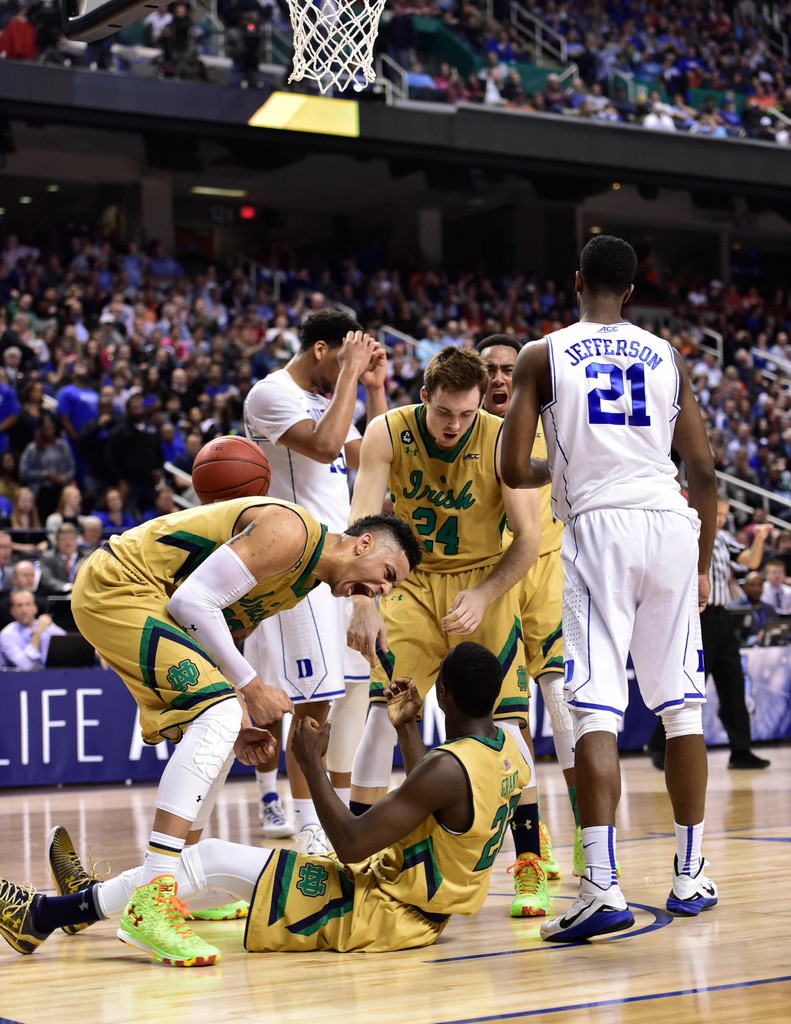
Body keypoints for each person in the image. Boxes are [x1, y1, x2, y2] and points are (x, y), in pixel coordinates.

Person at [31, 497, 420, 966]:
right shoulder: (291, 530)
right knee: (217, 714)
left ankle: (161, 892)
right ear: (363, 544)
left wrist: (236, 708)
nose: (380, 590)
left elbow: (212, 627)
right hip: (121, 586)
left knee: (219, 722)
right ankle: (152, 901)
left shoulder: (302, 582)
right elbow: (191, 601)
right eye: (388, 575)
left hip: (153, 606)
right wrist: (249, 687)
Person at [0, 642, 531, 960]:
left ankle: (44, 915)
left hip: (383, 908)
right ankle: (81, 905)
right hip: (410, 899)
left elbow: (349, 842)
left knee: (207, 861)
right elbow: (440, 803)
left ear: (445, 695)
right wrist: (409, 728)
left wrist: (312, 764)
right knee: (218, 883)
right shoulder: (512, 748)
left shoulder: (446, 769)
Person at [500, 233, 719, 942]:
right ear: (629, 291)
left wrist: (562, 473)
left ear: (575, 283)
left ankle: (600, 884)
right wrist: (704, 562)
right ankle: (690, 871)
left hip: (600, 527)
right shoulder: (668, 356)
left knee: (591, 702)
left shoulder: (543, 353)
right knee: (680, 705)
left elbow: (511, 466)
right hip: (671, 523)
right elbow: (705, 474)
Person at [346, 346, 549, 917]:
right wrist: (362, 601)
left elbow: (529, 540)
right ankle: (357, 858)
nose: (454, 425)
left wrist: (485, 595)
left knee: (507, 725)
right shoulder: (388, 431)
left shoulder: (504, 436)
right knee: (387, 715)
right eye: (444, 414)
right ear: (425, 398)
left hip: (485, 579)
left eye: (465, 414)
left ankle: (530, 864)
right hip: (411, 580)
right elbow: (362, 527)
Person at [242, 312, 385, 849]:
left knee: (333, 695)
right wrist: (350, 373)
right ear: (321, 349)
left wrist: (374, 388)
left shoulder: (334, 395)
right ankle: (305, 823)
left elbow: (367, 457)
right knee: (305, 697)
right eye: (344, 357)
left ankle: (317, 815)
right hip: (292, 561)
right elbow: (325, 447)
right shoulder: (270, 393)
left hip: (339, 560)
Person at [476, 333, 584, 881]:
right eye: (488, 369)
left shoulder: (558, 417)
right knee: (507, 723)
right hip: (488, 578)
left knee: (564, 707)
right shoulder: (458, 427)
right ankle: (530, 846)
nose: (498, 377)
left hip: (550, 568)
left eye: (507, 368)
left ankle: (589, 837)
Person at [646, 498, 772, 772]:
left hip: (722, 618)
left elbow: (751, 562)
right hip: (695, 616)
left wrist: (759, 538)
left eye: (726, 514)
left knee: (734, 685)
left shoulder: (725, 538)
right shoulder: (685, 529)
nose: (722, 518)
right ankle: (658, 745)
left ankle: (741, 750)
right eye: (719, 513)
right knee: (690, 685)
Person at [0, 589, 65, 670]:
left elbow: (67, 647)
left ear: (35, 608)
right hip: (20, 680)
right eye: (19, 605)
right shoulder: (6, 635)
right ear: (13, 611)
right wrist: (38, 632)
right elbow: (27, 666)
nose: (24, 610)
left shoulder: (47, 626)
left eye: (28, 604)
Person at [37, 523, 88, 597]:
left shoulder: (87, 557)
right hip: (58, 597)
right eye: (63, 539)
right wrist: (68, 587)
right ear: (57, 542)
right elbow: (47, 580)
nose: (68, 543)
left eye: (71, 538)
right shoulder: (47, 558)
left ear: (77, 540)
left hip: (83, 597)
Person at [730, 570, 775, 646]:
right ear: (745, 587)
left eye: (760, 585)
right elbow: (734, 638)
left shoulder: (769, 609)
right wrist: (755, 639)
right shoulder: (735, 609)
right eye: (752, 585)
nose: (757, 589)